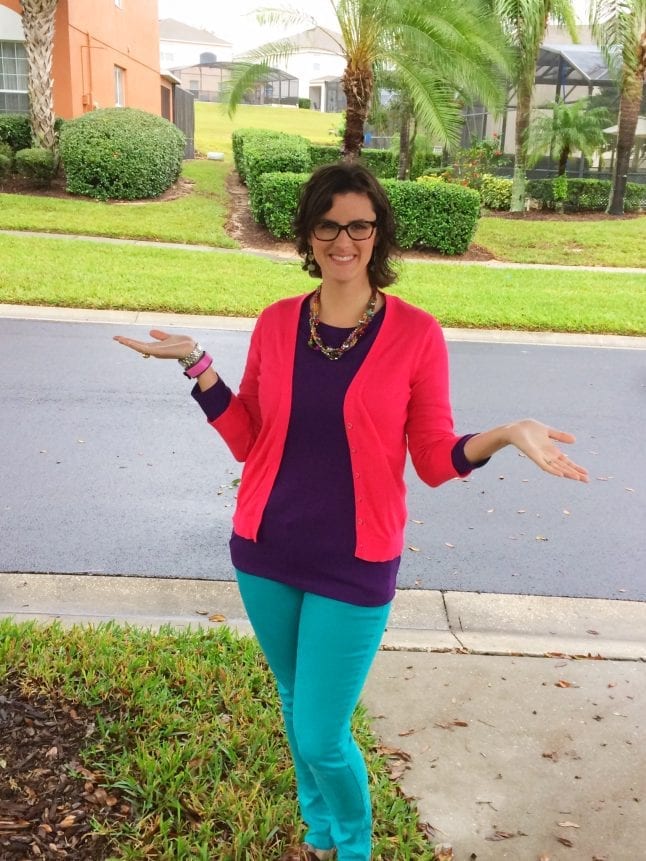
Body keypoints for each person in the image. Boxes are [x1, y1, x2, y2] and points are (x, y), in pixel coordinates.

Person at [113, 162, 588, 861]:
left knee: (321, 731)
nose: (344, 240)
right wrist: (199, 366)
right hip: (266, 548)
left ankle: (355, 846)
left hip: (356, 560)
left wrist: (509, 433)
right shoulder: (277, 324)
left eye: (358, 225)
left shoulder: (416, 334)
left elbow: (431, 458)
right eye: (328, 224)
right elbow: (249, 437)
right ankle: (320, 835)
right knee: (293, 700)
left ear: (378, 234)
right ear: (309, 233)